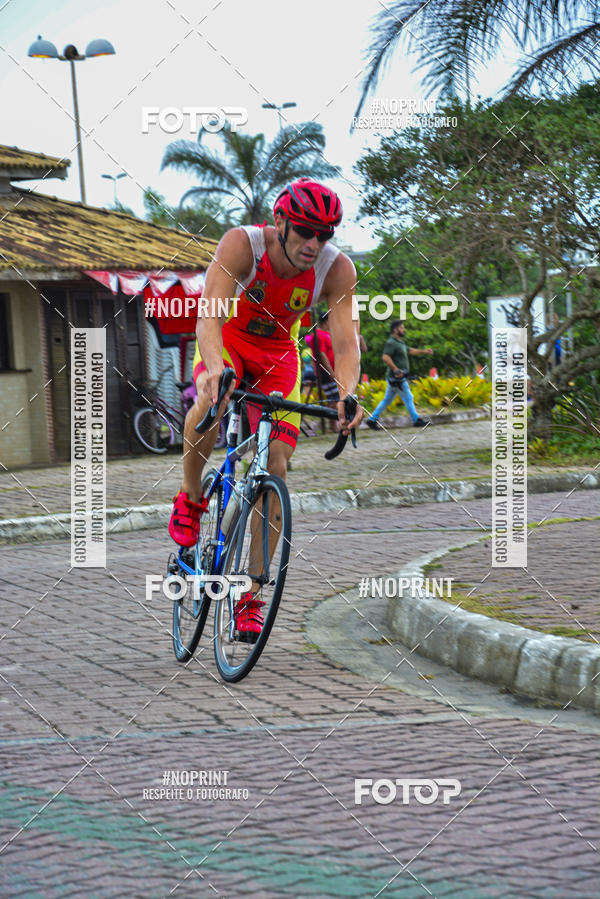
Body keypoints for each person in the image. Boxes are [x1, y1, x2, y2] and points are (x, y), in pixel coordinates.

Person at [168, 178, 363, 636]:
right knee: (211, 404)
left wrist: (347, 392)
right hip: (229, 342)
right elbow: (209, 315)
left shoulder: (338, 271)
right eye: (305, 231)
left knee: (276, 464)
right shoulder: (242, 245)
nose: (314, 243)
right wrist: (214, 369)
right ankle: (192, 498)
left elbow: (345, 343)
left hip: (279, 356)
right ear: (280, 222)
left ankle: (249, 594)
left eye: (325, 234)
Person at [366, 319, 432, 429]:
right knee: (409, 397)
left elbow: (410, 351)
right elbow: (385, 357)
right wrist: (396, 369)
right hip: (397, 378)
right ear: (395, 330)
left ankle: (372, 420)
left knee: (387, 400)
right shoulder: (391, 342)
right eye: (402, 327)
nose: (404, 329)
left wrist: (424, 351)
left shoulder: (399, 342)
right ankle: (416, 420)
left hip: (396, 379)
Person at [305, 311, 339, 431]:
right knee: (333, 398)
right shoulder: (318, 335)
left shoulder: (326, 334)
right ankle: (333, 425)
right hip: (325, 371)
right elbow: (322, 354)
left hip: (331, 370)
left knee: (336, 397)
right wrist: (330, 371)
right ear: (325, 321)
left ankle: (335, 424)